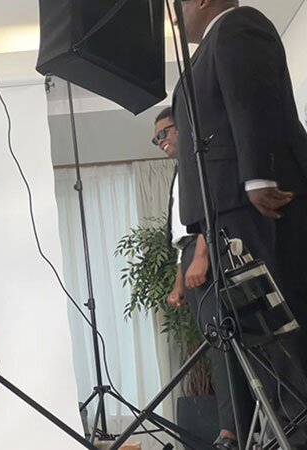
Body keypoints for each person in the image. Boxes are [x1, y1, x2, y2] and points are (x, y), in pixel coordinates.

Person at [175, 0, 307, 445]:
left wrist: (258, 174)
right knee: (263, 339)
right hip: (226, 214)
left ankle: (299, 428)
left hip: (252, 205)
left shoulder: (237, 26)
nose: (175, 15)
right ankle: (289, 429)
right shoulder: (208, 48)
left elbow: (251, 98)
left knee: (283, 328)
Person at [155, 108, 252, 450]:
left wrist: (201, 256)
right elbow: (180, 231)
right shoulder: (181, 171)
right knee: (215, 343)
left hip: (206, 250)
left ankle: (232, 432)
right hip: (189, 254)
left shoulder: (201, 163)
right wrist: (179, 281)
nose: (160, 141)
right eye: (156, 138)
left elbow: (210, 212)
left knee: (222, 342)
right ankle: (238, 429)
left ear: (182, 128)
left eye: (164, 132)